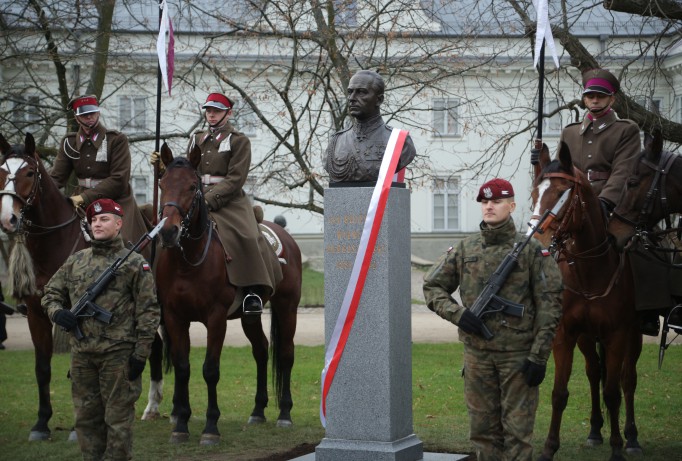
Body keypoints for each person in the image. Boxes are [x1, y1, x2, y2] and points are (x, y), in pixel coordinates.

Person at [423, 178, 563, 461]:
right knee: (483, 433)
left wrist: (538, 357)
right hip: (478, 358)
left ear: (511, 206)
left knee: (518, 434)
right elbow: (432, 287)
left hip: (518, 358)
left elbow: (550, 304)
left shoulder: (532, 251)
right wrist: (460, 315)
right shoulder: (465, 248)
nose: (489, 206)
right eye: (485, 202)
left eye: (497, 201)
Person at [42, 198, 160, 461]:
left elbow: (149, 311)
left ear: (118, 224)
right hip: (82, 355)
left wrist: (141, 354)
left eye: (104, 219)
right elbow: (50, 293)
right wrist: (58, 313)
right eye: (93, 220)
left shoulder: (133, 263)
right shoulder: (76, 261)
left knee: (118, 420)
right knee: (86, 420)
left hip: (118, 356)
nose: (97, 223)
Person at [151, 92, 282, 315]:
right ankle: (157, 286)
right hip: (196, 196)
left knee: (248, 235)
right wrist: (163, 169)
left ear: (228, 113)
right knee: (163, 230)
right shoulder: (196, 138)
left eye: (217, 111)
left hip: (229, 200)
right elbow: (187, 172)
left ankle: (252, 290)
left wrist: (208, 200)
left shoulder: (239, 140)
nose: (212, 115)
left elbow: (236, 178)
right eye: (209, 111)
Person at [52, 95, 150, 256]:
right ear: (77, 118)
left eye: (93, 113)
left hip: (116, 199)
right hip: (80, 203)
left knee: (122, 241)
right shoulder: (69, 142)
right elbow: (57, 178)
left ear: (98, 113)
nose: (90, 117)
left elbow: (119, 179)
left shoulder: (116, 140)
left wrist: (84, 197)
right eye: (85, 114)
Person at [559, 69, 641, 219]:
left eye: (601, 96)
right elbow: (560, 172)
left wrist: (605, 201)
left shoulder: (626, 130)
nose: (595, 100)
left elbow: (624, 171)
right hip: (574, 201)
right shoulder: (569, 132)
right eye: (590, 96)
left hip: (612, 205)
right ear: (585, 100)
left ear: (612, 100)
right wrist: (540, 164)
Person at [324, 70, 416, 184]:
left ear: (379, 100)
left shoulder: (400, 142)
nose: (352, 98)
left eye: (361, 92)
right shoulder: (336, 141)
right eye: (350, 92)